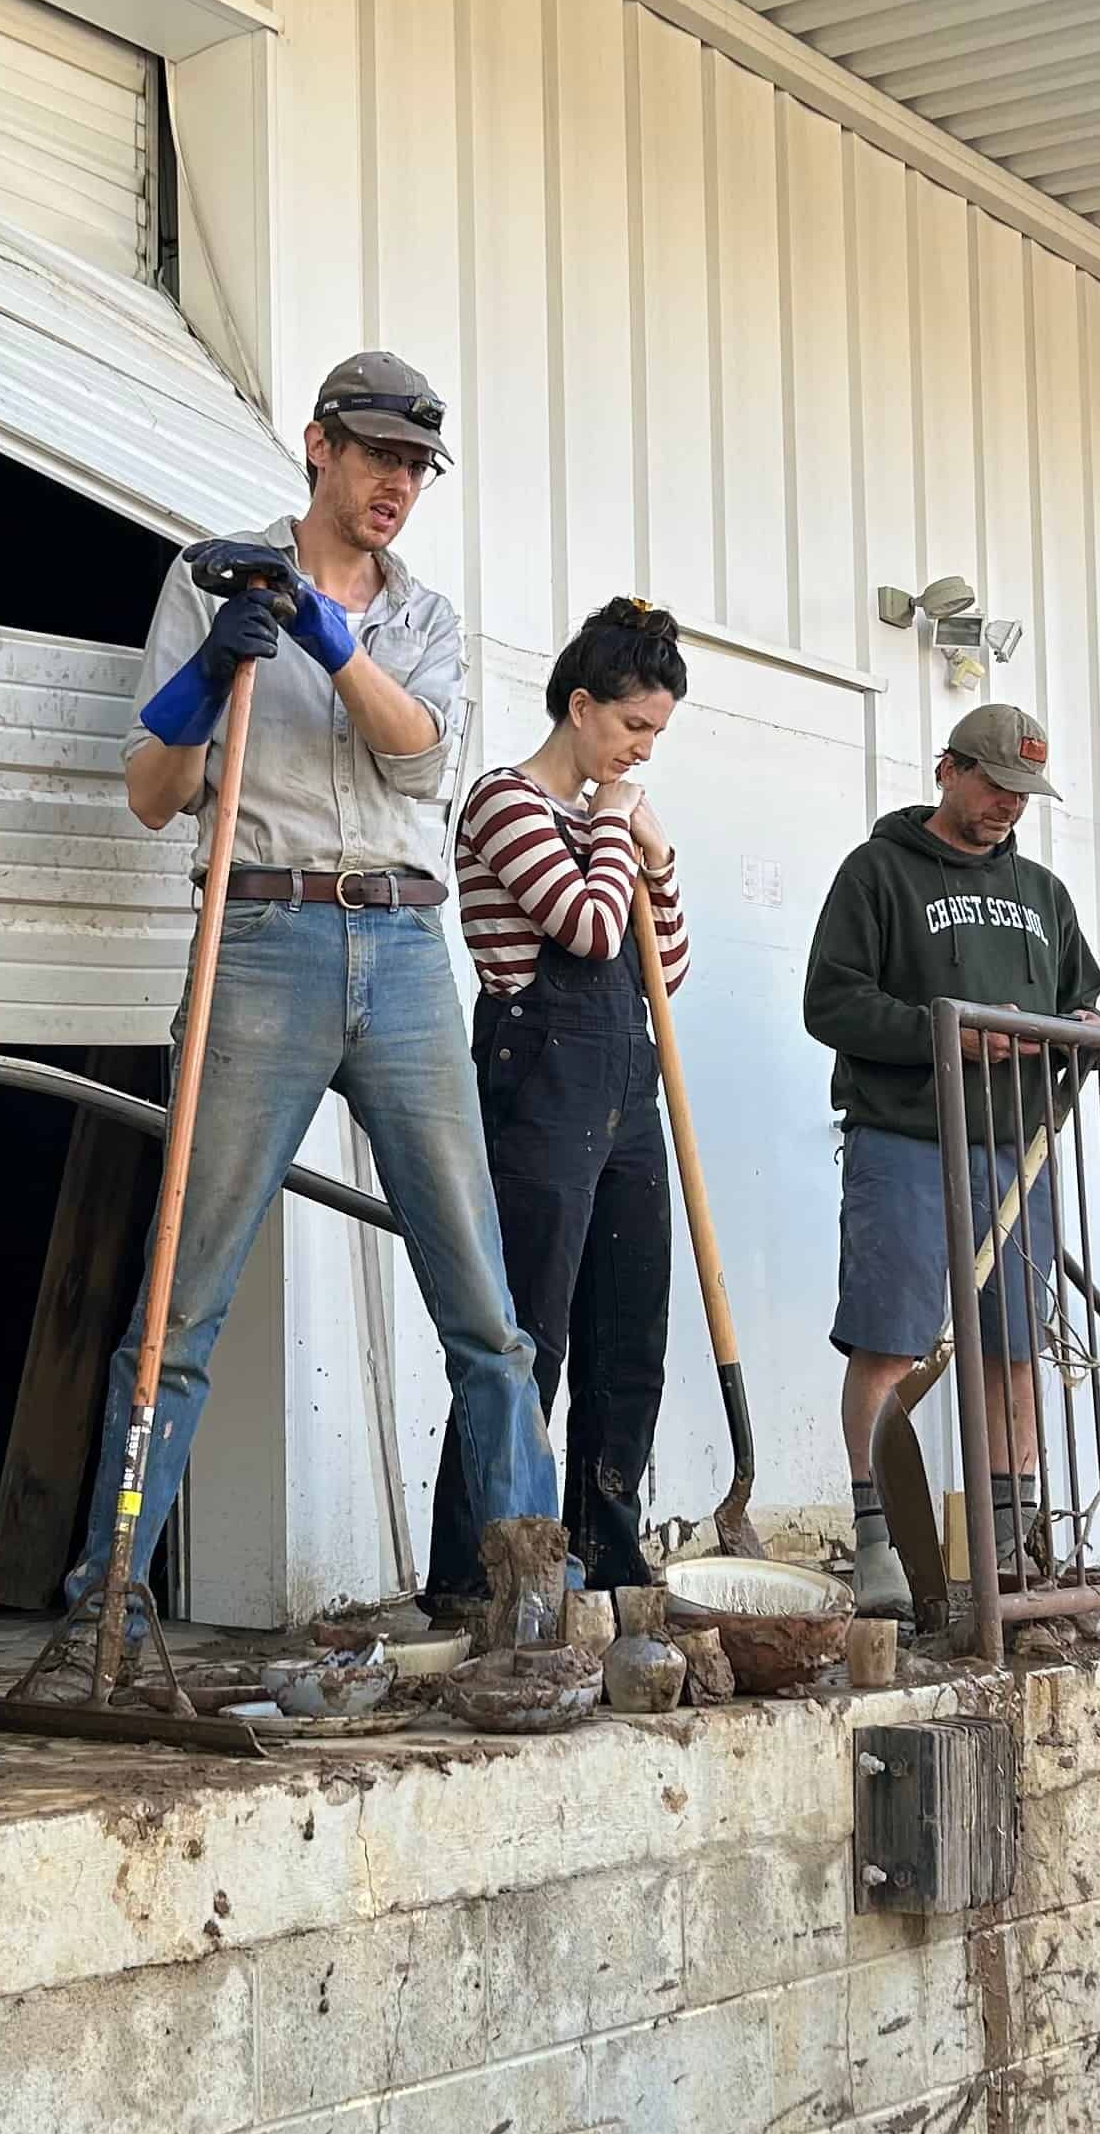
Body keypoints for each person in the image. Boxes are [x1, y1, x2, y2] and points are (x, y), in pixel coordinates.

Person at [45, 352, 552, 1671]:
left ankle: (528, 1596)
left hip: (403, 944)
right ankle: (112, 1591)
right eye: (377, 456)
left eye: (416, 468)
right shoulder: (206, 584)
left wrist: (326, 638)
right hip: (261, 933)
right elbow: (154, 792)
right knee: (183, 1291)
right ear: (318, 446)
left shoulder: (424, 617)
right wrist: (213, 669)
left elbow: (420, 753)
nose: (397, 485)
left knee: (483, 1305)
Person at [801, 702, 1100, 1616]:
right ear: (948, 771)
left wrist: (1084, 1030)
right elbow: (831, 1004)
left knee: (1014, 1349)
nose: (1008, 807)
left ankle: (1008, 1559)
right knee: (890, 1341)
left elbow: (1083, 1002)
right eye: (994, 786)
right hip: (903, 1138)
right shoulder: (878, 873)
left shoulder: (1045, 895)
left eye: (1023, 794)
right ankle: (879, 1546)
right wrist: (952, 1040)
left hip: (1018, 1150)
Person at [424, 596, 697, 1603]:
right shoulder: (507, 802)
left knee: (631, 1334)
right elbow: (585, 928)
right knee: (525, 1331)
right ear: (581, 707)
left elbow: (667, 967)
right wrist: (624, 833)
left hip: (628, 1079)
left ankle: (607, 1554)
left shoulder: (608, 821)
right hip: (538, 1072)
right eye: (634, 726)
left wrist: (657, 862)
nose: (642, 752)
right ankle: (480, 1568)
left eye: (657, 734)